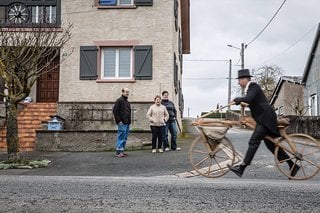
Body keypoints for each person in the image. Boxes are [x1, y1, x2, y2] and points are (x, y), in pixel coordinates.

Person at [228, 69, 300, 178]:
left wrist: (237, 99)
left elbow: (248, 99)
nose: (238, 82)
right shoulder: (251, 89)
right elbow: (250, 101)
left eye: (239, 80)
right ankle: (292, 165)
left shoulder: (253, 86)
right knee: (271, 145)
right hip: (265, 119)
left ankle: (241, 167)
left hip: (265, 119)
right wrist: (240, 102)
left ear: (245, 79)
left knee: (253, 141)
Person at [112, 88, 131, 158]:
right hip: (122, 123)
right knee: (121, 137)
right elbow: (115, 111)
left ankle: (122, 151)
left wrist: (129, 122)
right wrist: (119, 121)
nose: (127, 93)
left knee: (125, 137)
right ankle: (118, 152)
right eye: (126, 92)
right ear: (122, 92)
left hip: (127, 122)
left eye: (128, 92)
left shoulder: (127, 102)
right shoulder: (119, 100)